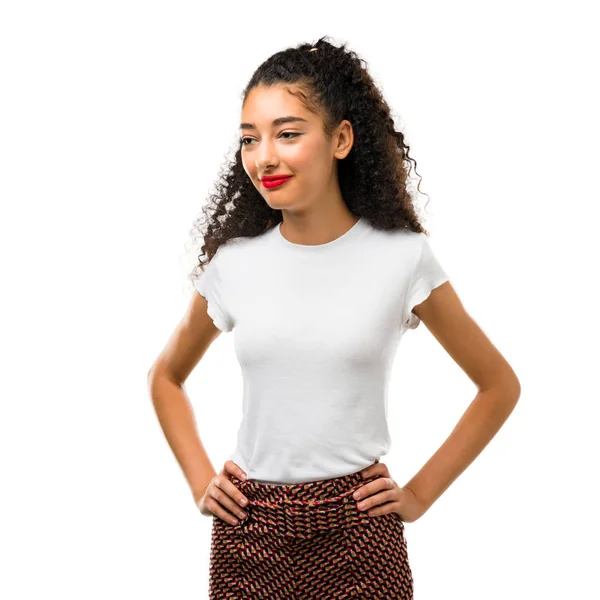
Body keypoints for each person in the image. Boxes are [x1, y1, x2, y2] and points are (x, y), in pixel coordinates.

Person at [147, 36, 521, 600]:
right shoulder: (234, 266)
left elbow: (498, 385)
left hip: (360, 533)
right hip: (250, 532)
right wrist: (202, 481)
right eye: (250, 139)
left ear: (340, 138)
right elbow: (165, 377)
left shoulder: (402, 257)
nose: (264, 156)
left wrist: (418, 496)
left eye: (288, 133)